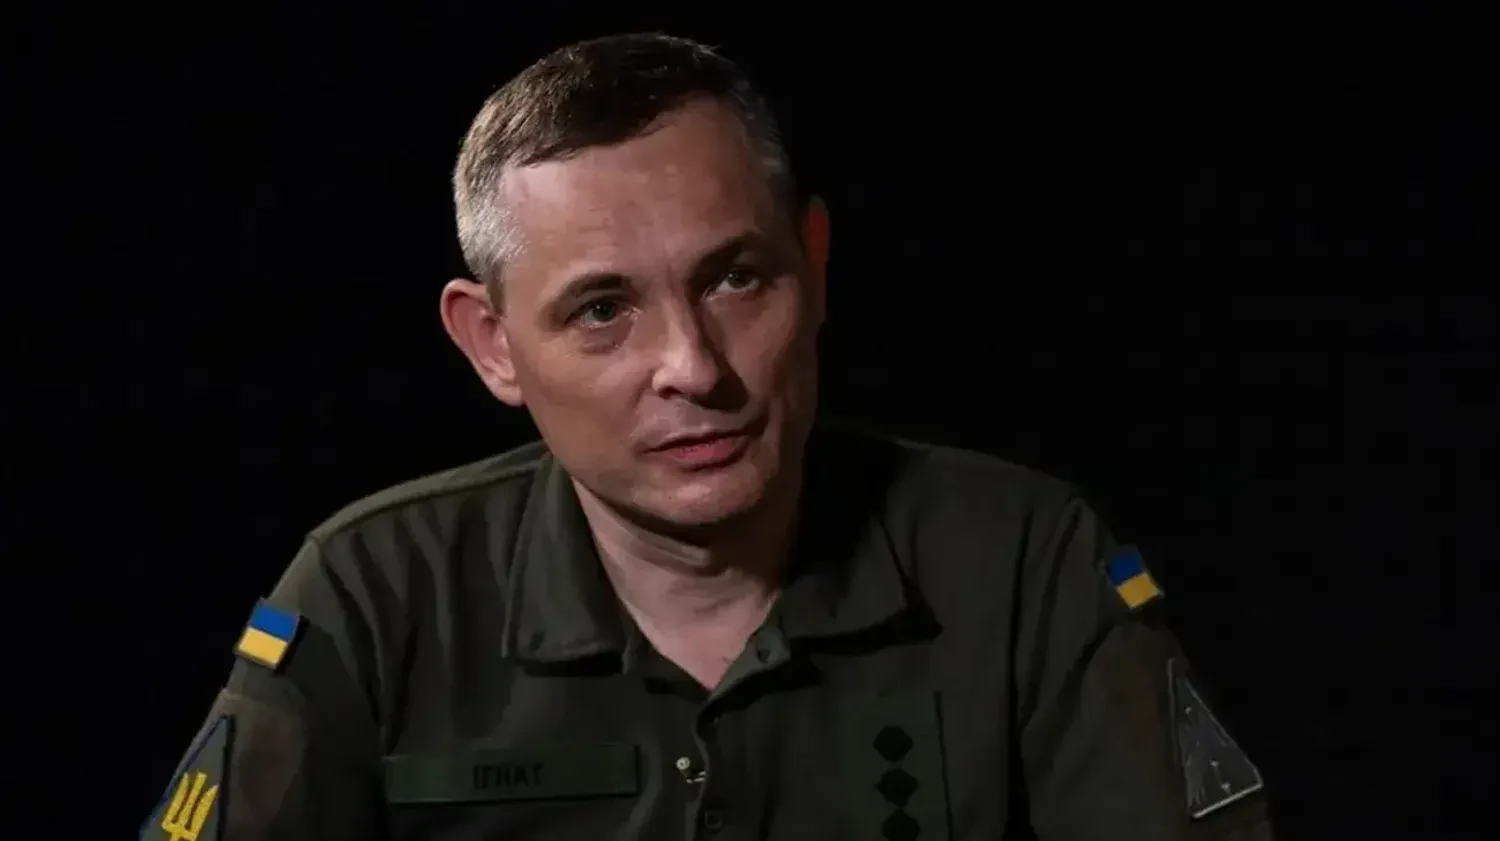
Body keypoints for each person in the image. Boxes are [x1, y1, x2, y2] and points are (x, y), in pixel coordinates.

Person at [141, 33, 1275, 841]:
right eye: (602, 309)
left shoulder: (1024, 561)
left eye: (735, 278)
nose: (692, 366)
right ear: (492, 346)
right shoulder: (374, 595)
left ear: (813, 265)